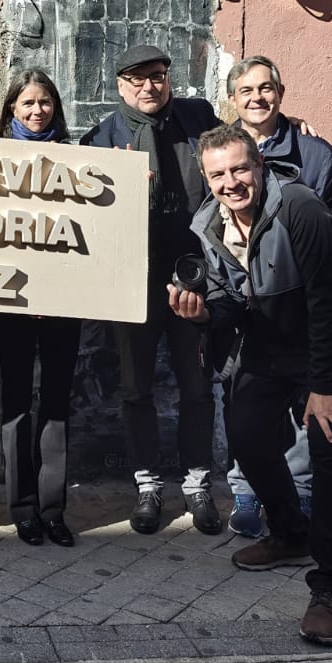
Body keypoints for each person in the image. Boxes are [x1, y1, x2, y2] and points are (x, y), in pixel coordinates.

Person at [170, 124, 332, 646]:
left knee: (331, 448)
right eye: (218, 174)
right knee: (248, 436)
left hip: (329, 340)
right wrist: (198, 316)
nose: (230, 182)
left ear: (259, 166)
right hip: (267, 343)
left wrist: (325, 387)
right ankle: (289, 533)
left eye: (239, 169)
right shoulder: (209, 225)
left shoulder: (300, 207)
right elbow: (229, 305)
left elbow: (329, 298)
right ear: (206, 178)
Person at [81, 43, 222, 536]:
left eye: (158, 76)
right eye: (137, 78)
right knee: (137, 388)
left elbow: (243, 149)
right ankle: (147, 486)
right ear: (120, 84)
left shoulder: (199, 117)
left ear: (169, 79)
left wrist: (295, 126)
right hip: (133, 282)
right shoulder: (102, 136)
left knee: (197, 385)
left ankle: (199, 484)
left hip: (193, 277)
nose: (149, 86)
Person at [221, 54, 332, 538]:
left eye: (266, 89)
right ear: (232, 100)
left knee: (310, 403)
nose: (257, 99)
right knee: (242, 399)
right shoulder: (223, 151)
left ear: (281, 93)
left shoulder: (315, 153)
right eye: (246, 92)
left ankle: (299, 492)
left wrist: (324, 256)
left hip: (306, 301)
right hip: (248, 303)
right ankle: (246, 489)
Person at [0, 68, 81, 547]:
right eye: (26, 103)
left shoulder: (77, 159)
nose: (37, 111)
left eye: (45, 102)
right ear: (11, 110)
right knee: (18, 402)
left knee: (58, 403)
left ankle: (53, 508)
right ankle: (22, 508)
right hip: (9, 302)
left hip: (64, 302)